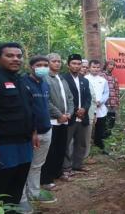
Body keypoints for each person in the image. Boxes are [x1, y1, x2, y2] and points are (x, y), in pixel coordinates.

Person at [0, 43, 38, 211]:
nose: (15, 59)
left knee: (14, 192)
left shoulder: (22, 82)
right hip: (2, 148)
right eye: (9, 56)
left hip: (24, 147)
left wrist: (33, 132)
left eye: (18, 56)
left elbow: (28, 111)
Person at [19, 56, 57, 212]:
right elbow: (25, 110)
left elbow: (45, 107)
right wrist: (32, 130)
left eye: (45, 65)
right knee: (23, 166)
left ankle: (34, 192)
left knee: (37, 165)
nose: (43, 67)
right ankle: (21, 199)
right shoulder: (23, 84)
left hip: (46, 130)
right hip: (29, 133)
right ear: (31, 67)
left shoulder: (45, 84)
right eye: (39, 65)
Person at [41, 53, 74, 190]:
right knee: (50, 151)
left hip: (64, 120)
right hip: (52, 121)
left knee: (61, 148)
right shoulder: (44, 78)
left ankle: (57, 173)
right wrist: (59, 114)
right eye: (54, 61)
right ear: (48, 63)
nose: (57, 63)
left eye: (59, 61)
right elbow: (45, 101)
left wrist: (69, 113)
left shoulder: (62, 78)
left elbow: (70, 98)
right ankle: (46, 179)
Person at [62, 54, 92, 173]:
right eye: (74, 63)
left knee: (81, 143)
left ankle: (78, 165)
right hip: (70, 116)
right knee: (66, 143)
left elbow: (88, 98)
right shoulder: (63, 79)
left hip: (83, 116)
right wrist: (75, 110)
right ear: (68, 65)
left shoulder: (84, 80)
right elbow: (64, 98)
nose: (76, 66)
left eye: (79, 64)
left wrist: (84, 109)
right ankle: (66, 167)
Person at [86, 60, 109, 152]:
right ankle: (86, 147)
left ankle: (99, 145)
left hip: (101, 108)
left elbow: (106, 93)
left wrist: (101, 101)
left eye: (97, 67)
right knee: (88, 128)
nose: (96, 69)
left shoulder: (103, 80)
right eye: (93, 67)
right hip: (88, 108)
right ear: (89, 68)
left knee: (100, 128)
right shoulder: (85, 79)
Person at [101, 60, 120, 138]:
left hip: (112, 104)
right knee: (104, 122)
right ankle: (102, 139)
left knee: (111, 121)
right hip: (104, 104)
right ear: (106, 65)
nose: (112, 67)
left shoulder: (114, 78)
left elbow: (117, 91)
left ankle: (108, 138)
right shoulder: (101, 76)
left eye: (113, 65)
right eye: (110, 65)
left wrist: (117, 102)